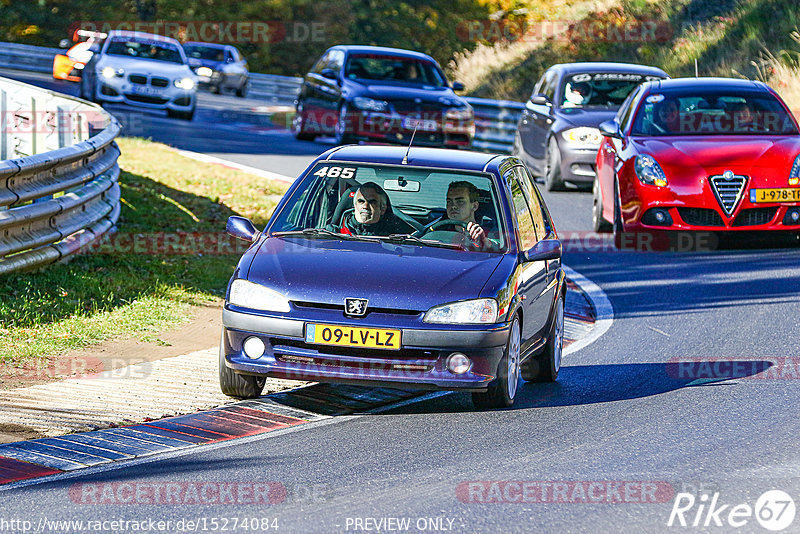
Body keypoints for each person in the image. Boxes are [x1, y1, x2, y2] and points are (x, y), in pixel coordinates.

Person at [339, 182, 413, 236]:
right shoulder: (333, 234)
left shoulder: (397, 237)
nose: (365, 206)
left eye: (372, 202)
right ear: (355, 205)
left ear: (383, 209)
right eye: (361, 201)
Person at [444, 181, 496, 251]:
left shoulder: (489, 233)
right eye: (449, 202)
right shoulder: (438, 230)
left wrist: (484, 241)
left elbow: (501, 249)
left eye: (460, 202)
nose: (453, 206)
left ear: (474, 206)